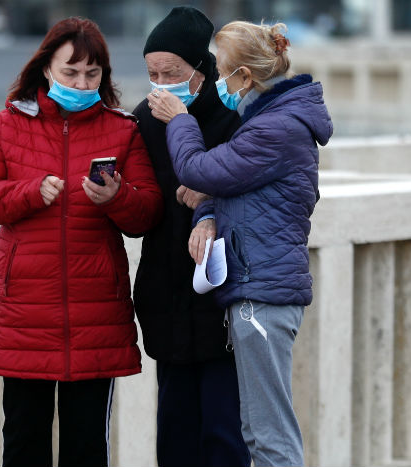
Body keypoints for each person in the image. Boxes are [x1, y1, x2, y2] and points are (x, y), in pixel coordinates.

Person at [0, 17, 163, 467]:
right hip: (24, 314)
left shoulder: (122, 129)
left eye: (92, 74)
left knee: (87, 447)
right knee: (23, 443)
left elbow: (148, 212)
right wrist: (28, 192)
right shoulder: (8, 124)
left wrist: (117, 197)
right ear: (46, 68)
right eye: (70, 72)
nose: (82, 82)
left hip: (95, 314)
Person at [147, 20, 333, 467]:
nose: (217, 82)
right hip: (259, 291)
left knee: (270, 436)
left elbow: (199, 169)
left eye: (221, 71)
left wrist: (181, 120)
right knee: (255, 430)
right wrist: (210, 208)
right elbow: (236, 190)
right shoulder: (273, 123)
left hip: (262, 293)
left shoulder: (275, 129)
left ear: (245, 78)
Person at [129, 6, 251, 467]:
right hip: (166, 293)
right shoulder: (142, 120)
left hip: (221, 298)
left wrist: (210, 206)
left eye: (172, 72)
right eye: (152, 73)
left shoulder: (232, 115)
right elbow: (140, 208)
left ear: (201, 71)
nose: (160, 82)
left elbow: (255, 190)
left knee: (223, 433)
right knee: (175, 433)